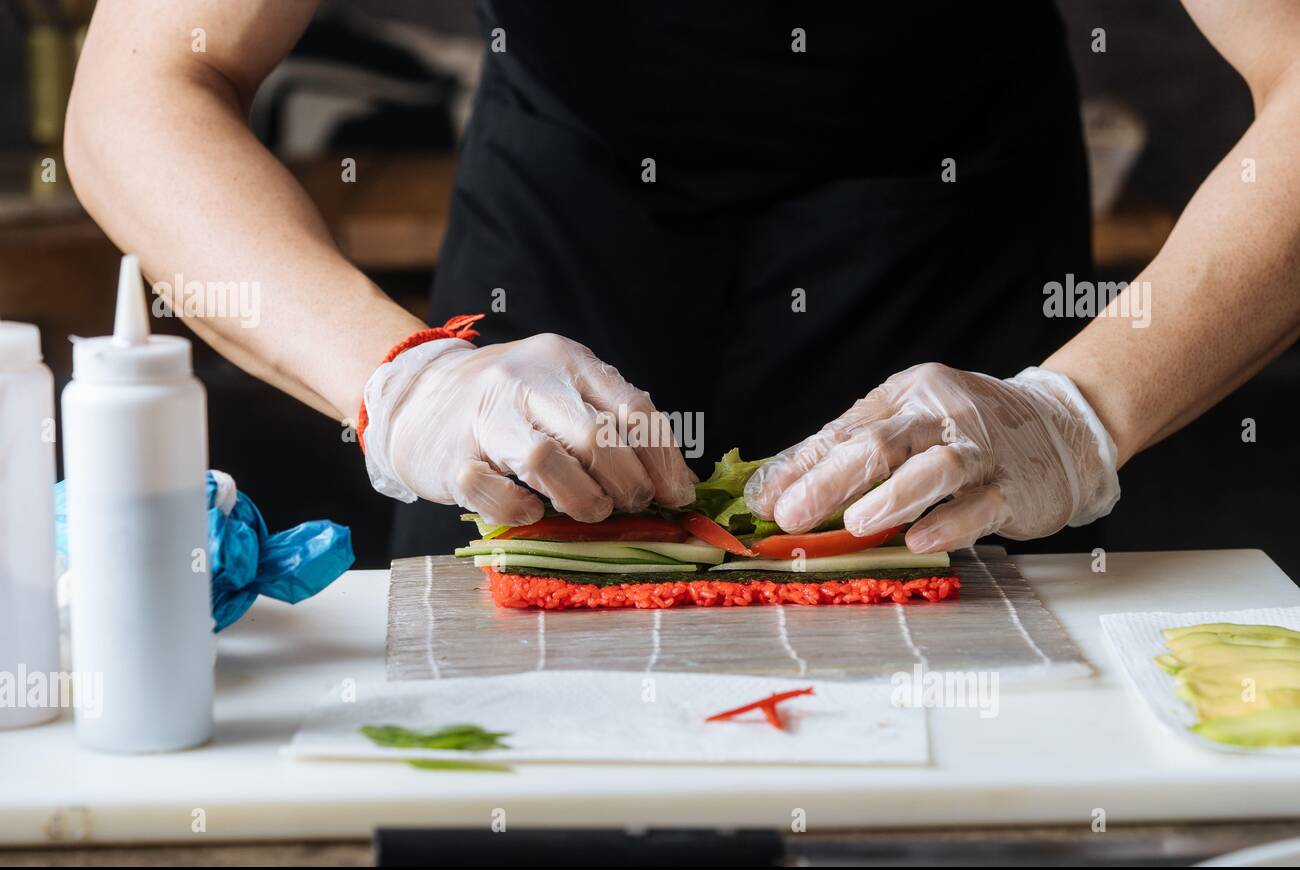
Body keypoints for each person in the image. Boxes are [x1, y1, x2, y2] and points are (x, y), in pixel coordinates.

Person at [65, 2, 1300, 558]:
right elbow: (143, 89)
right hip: (560, 244)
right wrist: (405, 379)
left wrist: (1076, 412)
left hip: (948, 247)